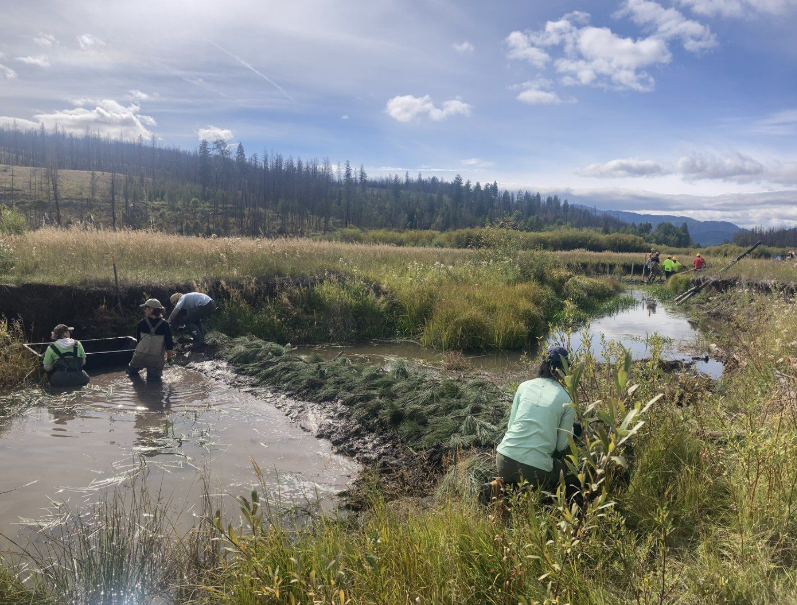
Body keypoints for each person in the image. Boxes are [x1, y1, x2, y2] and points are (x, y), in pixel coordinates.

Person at [483, 347, 576, 502]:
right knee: (561, 466)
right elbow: (560, 446)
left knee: (515, 477)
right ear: (565, 370)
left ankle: (500, 486)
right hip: (535, 470)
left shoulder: (524, 386)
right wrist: (573, 432)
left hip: (504, 459)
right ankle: (534, 494)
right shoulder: (567, 400)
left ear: (542, 365)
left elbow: (510, 425)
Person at [127, 299, 175, 382]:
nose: (144, 310)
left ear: (150, 309)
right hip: (155, 357)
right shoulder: (164, 324)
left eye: (145, 308)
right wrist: (169, 357)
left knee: (131, 373)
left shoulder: (141, 323)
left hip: (140, 355)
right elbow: (169, 343)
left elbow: (138, 340)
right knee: (154, 381)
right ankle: (152, 394)